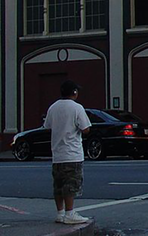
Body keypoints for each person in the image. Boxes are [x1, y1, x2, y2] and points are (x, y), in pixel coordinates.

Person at [43, 80, 92, 225]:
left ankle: (60, 213)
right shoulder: (77, 108)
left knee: (58, 185)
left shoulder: (53, 107)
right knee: (71, 185)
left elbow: (47, 126)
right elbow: (85, 128)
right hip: (72, 153)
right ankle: (70, 213)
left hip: (57, 154)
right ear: (74, 92)